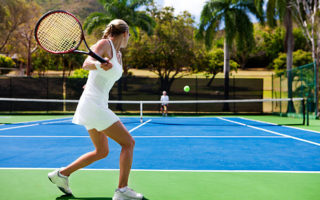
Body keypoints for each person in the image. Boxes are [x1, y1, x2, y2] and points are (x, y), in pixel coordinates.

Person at [47, 19, 143, 200]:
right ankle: (122, 190)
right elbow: (87, 63)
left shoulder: (119, 55)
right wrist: (100, 64)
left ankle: (62, 175)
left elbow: (100, 78)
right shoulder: (104, 44)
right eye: (129, 35)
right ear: (124, 33)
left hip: (95, 103)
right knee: (128, 143)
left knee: (102, 151)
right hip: (94, 104)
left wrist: (91, 80)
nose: (129, 38)